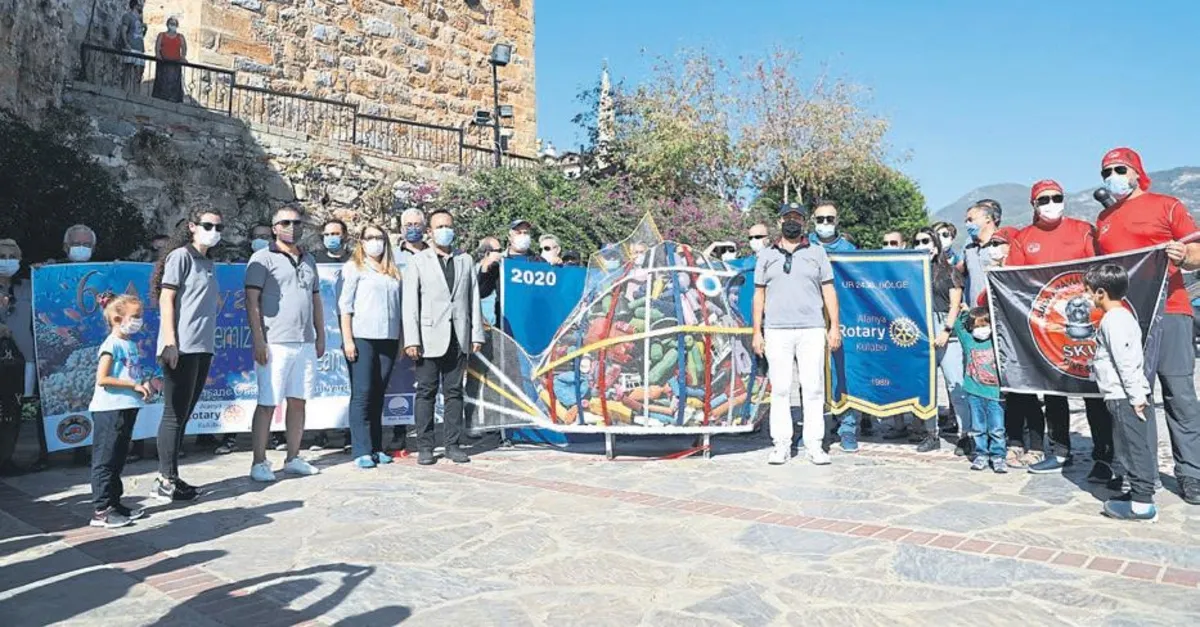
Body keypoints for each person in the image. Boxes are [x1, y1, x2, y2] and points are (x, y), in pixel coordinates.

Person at [1094, 147, 1200, 505]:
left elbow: (1197, 251)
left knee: (1179, 396)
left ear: (1137, 172)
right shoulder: (1104, 219)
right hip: (1125, 319)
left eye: (1119, 169)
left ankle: (1192, 474)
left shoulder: (1167, 205)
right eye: (1106, 171)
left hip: (1170, 310)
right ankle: (1141, 474)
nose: (1112, 176)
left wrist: (1184, 255)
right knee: (1132, 397)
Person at [1007, 180, 1115, 479]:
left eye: (1056, 197)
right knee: (1054, 393)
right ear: (1033, 205)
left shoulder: (1083, 230)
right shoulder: (1023, 238)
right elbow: (1013, 280)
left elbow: (1102, 268)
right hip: (1046, 329)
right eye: (1044, 199)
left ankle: (1104, 457)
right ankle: (1059, 451)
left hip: (1088, 323)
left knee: (1094, 392)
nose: (1051, 204)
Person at [753, 203, 841, 466]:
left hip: (811, 328)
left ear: (804, 222)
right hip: (776, 330)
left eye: (797, 218)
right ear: (779, 222)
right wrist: (757, 331)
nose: (792, 222)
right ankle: (781, 444)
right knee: (780, 388)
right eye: (788, 217)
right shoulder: (766, 255)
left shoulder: (817, 252)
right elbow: (759, 294)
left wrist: (834, 326)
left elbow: (829, 291)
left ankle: (814, 444)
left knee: (813, 387)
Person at [245, 206, 325, 482]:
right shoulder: (262, 258)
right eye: (286, 222)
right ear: (275, 227)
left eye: (297, 222)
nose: (292, 227)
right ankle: (259, 461)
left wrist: (320, 334)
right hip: (275, 342)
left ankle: (293, 457)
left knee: (298, 401)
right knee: (268, 403)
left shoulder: (308, 259)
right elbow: (252, 301)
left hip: (304, 342)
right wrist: (259, 340)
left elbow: (315, 299)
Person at [149, 208, 223, 502]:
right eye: (208, 225)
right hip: (181, 346)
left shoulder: (208, 262)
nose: (214, 231)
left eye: (218, 227)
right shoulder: (181, 256)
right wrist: (170, 341)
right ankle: (164, 479)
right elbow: (167, 297)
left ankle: (172, 476)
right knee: (174, 413)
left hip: (202, 346)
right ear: (192, 226)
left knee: (185, 412)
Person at [402, 209, 485, 465]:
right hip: (428, 337)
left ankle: (453, 444)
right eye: (439, 227)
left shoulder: (465, 260)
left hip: (458, 336)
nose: (444, 231)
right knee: (426, 392)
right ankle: (425, 446)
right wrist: (412, 339)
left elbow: (473, 298)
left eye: (448, 226)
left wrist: (476, 333)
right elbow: (410, 303)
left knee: (454, 392)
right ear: (429, 231)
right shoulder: (419, 261)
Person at [1086, 264, 1159, 521]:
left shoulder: (1114, 320)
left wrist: (1136, 397)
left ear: (1101, 293)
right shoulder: (1119, 317)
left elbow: (1125, 361)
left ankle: (1142, 504)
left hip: (1125, 397)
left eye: (1089, 291)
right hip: (1125, 395)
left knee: (1132, 449)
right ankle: (1136, 494)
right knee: (1129, 446)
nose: (1087, 296)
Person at [339, 224, 402, 468]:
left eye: (380, 237)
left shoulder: (393, 271)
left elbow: (399, 307)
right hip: (362, 337)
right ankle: (361, 449)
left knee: (378, 393)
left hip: (388, 337)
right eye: (370, 238)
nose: (375, 242)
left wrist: (401, 339)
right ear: (362, 242)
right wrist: (348, 339)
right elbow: (345, 306)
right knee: (362, 393)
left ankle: (377, 447)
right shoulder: (354, 267)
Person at [88, 294, 150, 528]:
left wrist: (143, 384)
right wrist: (133, 385)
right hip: (109, 409)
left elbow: (130, 373)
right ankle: (102, 509)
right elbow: (103, 378)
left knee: (118, 458)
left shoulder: (130, 344)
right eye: (135, 316)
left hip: (126, 407)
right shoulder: (111, 344)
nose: (139, 320)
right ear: (117, 318)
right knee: (105, 459)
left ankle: (115, 502)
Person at [913, 227, 969, 454]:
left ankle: (966, 434)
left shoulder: (950, 272)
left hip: (945, 328)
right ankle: (931, 433)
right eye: (917, 241)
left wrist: (946, 330)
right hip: (921, 330)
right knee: (926, 386)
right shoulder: (912, 273)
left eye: (925, 241)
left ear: (935, 245)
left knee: (955, 384)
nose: (921, 245)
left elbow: (955, 304)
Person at [954, 307, 1006, 473]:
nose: (981, 329)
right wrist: (964, 312)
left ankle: (998, 456)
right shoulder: (969, 340)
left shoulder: (997, 341)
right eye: (976, 326)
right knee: (978, 428)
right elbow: (958, 326)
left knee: (997, 428)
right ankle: (981, 454)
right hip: (974, 392)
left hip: (996, 393)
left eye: (984, 325)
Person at [0, 239, 34, 476]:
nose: (7, 261)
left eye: (12, 257)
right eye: (2, 257)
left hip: (22, 358)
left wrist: (46, 271)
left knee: (13, 410)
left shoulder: (27, 287)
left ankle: (6, 457)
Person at [478, 219, 544, 324]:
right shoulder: (500, 262)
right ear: (509, 237)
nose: (522, 236)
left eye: (525, 233)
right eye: (518, 233)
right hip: (506, 324)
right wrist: (485, 267)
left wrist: (557, 267)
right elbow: (482, 292)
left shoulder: (539, 262)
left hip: (533, 322)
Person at [151, 16, 187, 103]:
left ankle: (173, 98)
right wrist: (158, 55)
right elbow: (157, 46)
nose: (172, 25)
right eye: (171, 23)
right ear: (167, 24)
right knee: (162, 80)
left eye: (174, 24)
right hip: (163, 62)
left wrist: (183, 57)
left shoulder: (180, 37)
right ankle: (161, 97)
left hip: (175, 63)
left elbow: (184, 48)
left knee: (173, 81)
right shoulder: (161, 35)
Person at [116, 0, 146, 93]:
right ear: (135, 5)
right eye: (139, 5)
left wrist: (145, 29)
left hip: (139, 48)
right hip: (131, 47)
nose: (141, 6)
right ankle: (123, 91)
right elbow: (123, 31)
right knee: (127, 71)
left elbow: (140, 35)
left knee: (138, 73)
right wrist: (126, 44)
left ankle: (136, 94)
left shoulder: (140, 19)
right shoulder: (127, 16)